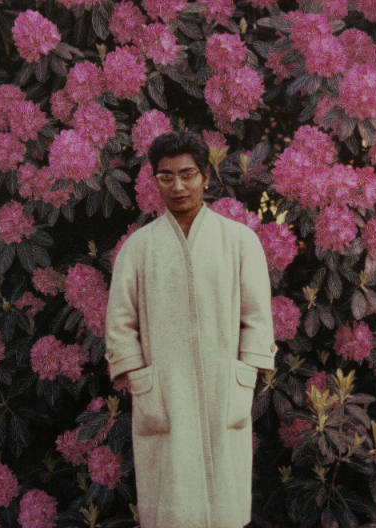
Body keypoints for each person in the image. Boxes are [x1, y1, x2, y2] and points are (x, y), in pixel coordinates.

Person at [104, 130, 277, 528]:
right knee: (171, 504)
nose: (178, 186)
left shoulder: (239, 242)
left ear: (205, 176)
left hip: (224, 388)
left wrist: (245, 376)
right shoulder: (139, 249)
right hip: (163, 392)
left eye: (187, 174)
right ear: (156, 180)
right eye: (166, 177)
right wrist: (141, 380)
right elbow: (119, 324)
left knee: (225, 505)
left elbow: (257, 319)